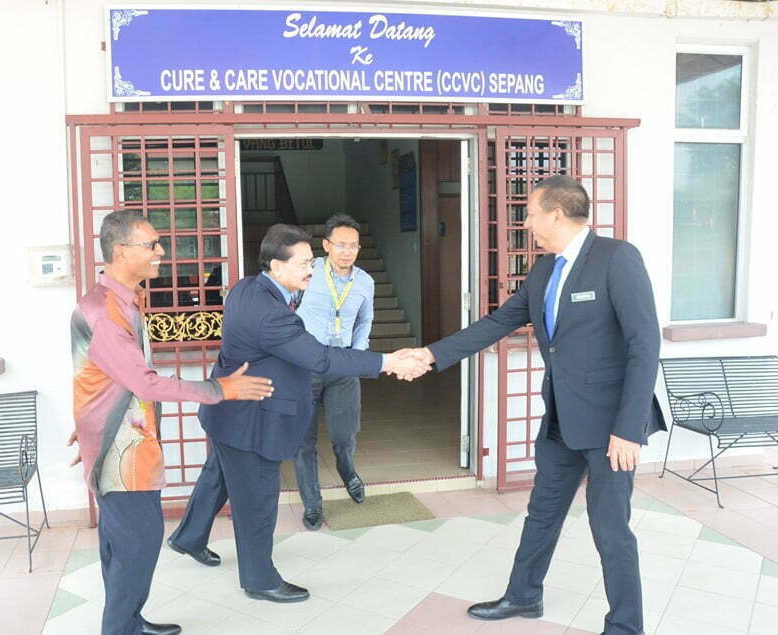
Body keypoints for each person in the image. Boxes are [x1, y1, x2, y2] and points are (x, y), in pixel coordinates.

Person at [407, 175, 665, 635]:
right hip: (561, 422)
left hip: (610, 429)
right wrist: (429, 355)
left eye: (530, 213)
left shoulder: (616, 258)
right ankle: (524, 595)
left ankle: (626, 626)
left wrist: (629, 429)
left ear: (557, 214)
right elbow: (497, 323)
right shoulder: (544, 270)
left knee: (611, 530)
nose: (526, 223)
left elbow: (644, 346)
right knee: (543, 512)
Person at [167, 224, 428, 603]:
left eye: (311, 261)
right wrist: (388, 361)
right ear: (276, 266)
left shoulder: (245, 288)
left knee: (218, 476)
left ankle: (189, 537)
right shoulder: (273, 315)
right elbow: (320, 358)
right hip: (252, 421)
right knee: (257, 501)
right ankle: (259, 580)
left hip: (227, 414)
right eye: (304, 263)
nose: (312, 269)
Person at [70, 210, 275, 635]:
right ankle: (120, 629)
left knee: (124, 544)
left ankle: (128, 621)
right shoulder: (106, 312)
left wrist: (90, 420)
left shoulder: (120, 300)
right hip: (122, 454)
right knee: (137, 545)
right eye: (151, 244)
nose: (160, 252)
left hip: (125, 440)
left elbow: (100, 376)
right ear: (121, 251)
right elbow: (144, 383)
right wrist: (222, 389)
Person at [294, 213, 375, 530]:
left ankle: (346, 468)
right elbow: (286, 310)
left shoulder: (365, 282)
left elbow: (365, 320)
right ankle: (312, 504)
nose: (347, 251)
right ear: (326, 245)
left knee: (345, 433)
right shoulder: (307, 271)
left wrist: (358, 353)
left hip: (343, 364)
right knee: (303, 439)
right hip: (305, 364)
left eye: (353, 246)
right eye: (341, 245)